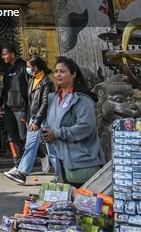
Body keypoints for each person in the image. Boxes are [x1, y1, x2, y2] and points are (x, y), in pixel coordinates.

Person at [40, 57, 104, 187]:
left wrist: (57, 133)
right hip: (63, 158)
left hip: (82, 158)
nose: (58, 75)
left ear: (73, 74)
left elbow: (86, 126)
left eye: (62, 71)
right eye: (56, 71)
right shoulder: (54, 97)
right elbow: (52, 121)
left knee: (83, 196)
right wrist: (47, 132)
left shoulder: (82, 98)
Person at [4, 57, 54, 185]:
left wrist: (37, 121)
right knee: (29, 144)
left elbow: (45, 103)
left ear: (35, 68)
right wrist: (28, 117)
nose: (27, 69)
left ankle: (59, 174)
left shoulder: (46, 82)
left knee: (52, 149)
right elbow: (30, 101)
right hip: (33, 116)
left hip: (43, 118)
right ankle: (22, 173)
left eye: (28, 66)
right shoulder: (32, 79)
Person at [0, 43, 28, 163]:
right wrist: (0, 104)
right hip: (9, 108)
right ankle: (17, 162)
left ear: (12, 54)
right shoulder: (7, 69)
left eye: (5, 54)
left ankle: (36, 157)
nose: (3, 57)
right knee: (11, 138)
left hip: (21, 108)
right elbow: (5, 89)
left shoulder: (23, 67)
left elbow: (29, 88)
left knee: (24, 137)